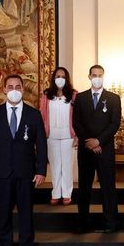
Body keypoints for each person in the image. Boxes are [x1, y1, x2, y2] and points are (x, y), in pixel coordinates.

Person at [0, 74, 47, 246]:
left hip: (26, 174)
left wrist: (41, 170)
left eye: (18, 87)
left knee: (26, 216)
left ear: (23, 90)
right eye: (10, 87)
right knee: (3, 216)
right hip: (1, 174)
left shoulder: (33, 115)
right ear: (4, 89)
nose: (14, 90)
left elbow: (41, 145)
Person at [72, 65, 122, 233]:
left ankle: (111, 223)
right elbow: (76, 122)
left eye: (100, 75)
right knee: (84, 187)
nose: (97, 78)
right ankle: (82, 223)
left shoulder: (113, 98)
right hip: (85, 149)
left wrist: (99, 141)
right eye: (94, 75)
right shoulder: (80, 98)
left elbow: (114, 123)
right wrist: (89, 142)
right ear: (89, 76)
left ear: (104, 76)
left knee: (108, 187)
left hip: (105, 148)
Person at [41, 67, 77, 205]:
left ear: (66, 79)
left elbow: (78, 117)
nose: (60, 79)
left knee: (67, 165)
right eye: (57, 76)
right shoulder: (46, 95)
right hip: (51, 135)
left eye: (63, 76)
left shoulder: (73, 95)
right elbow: (42, 115)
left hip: (68, 134)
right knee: (55, 165)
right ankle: (56, 193)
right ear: (53, 78)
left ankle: (67, 193)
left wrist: (77, 136)